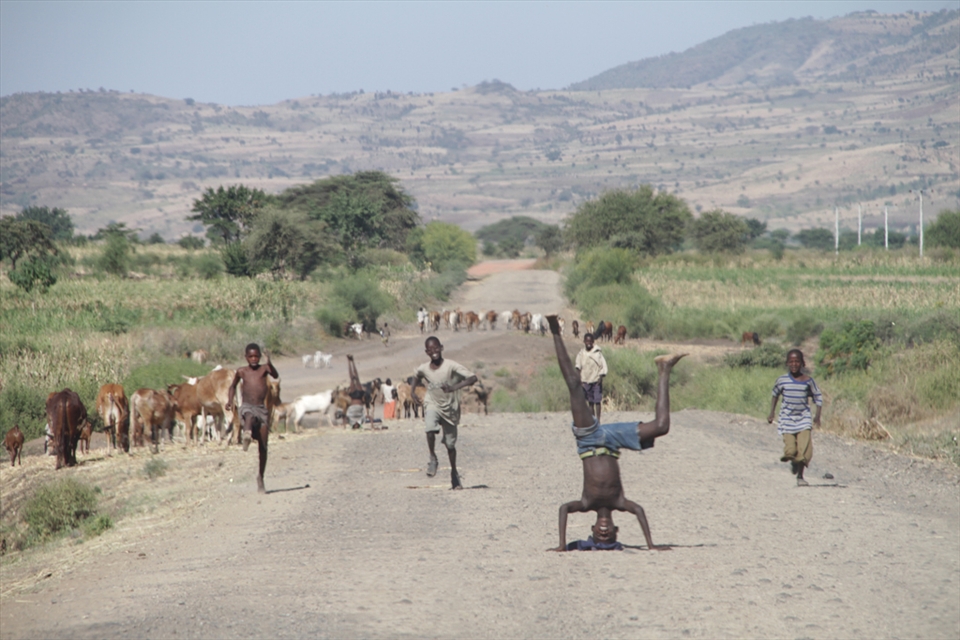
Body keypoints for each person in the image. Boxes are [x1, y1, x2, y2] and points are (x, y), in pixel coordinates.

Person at [547, 315, 685, 551]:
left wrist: (562, 545)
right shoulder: (620, 503)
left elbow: (563, 509)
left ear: (591, 530)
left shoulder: (586, 502)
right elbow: (639, 510)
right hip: (613, 442)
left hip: (588, 439)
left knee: (573, 384)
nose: (603, 532)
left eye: (599, 536)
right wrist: (650, 545)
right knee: (662, 426)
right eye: (608, 536)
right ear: (616, 530)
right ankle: (664, 368)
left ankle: (554, 332)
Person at [414, 336, 477, 490]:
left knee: (450, 445)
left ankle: (454, 474)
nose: (434, 352)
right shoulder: (424, 368)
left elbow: (472, 378)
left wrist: (453, 388)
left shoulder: (450, 365)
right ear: (426, 352)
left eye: (436, 348)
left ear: (441, 348)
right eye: (430, 350)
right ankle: (433, 457)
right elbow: (416, 377)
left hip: (450, 409)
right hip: (432, 404)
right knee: (429, 428)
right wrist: (411, 393)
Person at [227, 343, 279, 493]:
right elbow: (232, 386)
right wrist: (230, 401)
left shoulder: (264, 369)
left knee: (263, 447)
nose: (254, 359)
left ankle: (260, 477)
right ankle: (247, 434)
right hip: (247, 406)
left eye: (256, 356)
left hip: (261, 409)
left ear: (260, 356)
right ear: (246, 357)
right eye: (251, 356)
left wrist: (270, 363)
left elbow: (275, 375)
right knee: (249, 416)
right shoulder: (241, 371)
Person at [768, 348, 822, 486]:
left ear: (802, 363)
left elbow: (818, 397)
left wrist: (817, 417)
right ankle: (793, 461)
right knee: (791, 450)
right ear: (787, 363)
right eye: (791, 361)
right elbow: (775, 395)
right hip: (787, 419)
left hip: (803, 419)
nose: (794, 364)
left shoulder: (808, 381)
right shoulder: (782, 380)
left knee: (804, 450)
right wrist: (772, 413)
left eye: (797, 361)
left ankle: (800, 476)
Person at [575, 331, 608, 423]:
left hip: (596, 380)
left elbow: (603, 366)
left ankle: (598, 419)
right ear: (584, 342)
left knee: (597, 401)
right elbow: (578, 367)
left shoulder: (598, 353)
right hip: (586, 380)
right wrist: (579, 380)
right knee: (590, 402)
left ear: (593, 342)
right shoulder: (581, 354)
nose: (588, 343)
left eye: (590, 341)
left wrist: (601, 377)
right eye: (587, 341)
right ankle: (593, 420)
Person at [345, 355, 366, 429]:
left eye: (355, 426)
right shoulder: (361, 421)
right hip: (359, 398)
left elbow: (346, 418)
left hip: (353, 399)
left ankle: (349, 362)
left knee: (352, 378)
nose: (356, 426)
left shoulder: (351, 422)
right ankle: (352, 361)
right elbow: (366, 416)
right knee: (356, 378)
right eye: (358, 426)